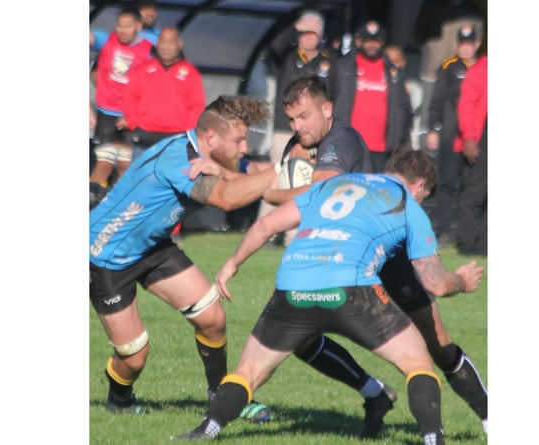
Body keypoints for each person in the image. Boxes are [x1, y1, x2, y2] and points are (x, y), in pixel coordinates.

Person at [180, 149, 485, 444]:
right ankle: (433, 440)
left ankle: (207, 430)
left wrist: (232, 264)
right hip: (350, 289)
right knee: (417, 363)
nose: (421, 201)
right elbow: (436, 283)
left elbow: (266, 225)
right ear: (419, 186)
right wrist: (463, 281)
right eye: (424, 196)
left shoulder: (332, 184)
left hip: (292, 289)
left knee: (247, 372)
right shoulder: (407, 201)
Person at [261, 78, 488, 439]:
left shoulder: (342, 141)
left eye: (303, 116)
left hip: (386, 263)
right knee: (300, 336)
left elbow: (316, 191)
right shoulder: (323, 145)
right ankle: (375, 394)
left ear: (325, 110)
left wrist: (265, 188)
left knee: (438, 346)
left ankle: (489, 420)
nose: (297, 126)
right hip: (348, 264)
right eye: (292, 119)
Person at [89, 95, 279, 420]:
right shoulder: (180, 160)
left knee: (212, 319)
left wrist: (297, 169)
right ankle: (119, 397)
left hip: (152, 247)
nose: (244, 147)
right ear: (211, 138)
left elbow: (254, 174)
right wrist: (286, 169)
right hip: (106, 255)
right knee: (134, 356)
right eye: (239, 139)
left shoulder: (213, 156)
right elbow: (227, 198)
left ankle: (221, 396)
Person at [258, 10, 338, 244]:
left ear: (321, 35)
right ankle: (267, 230)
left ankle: (293, 233)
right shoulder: (288, 56)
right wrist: (294, 28)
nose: (307, 37)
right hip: (284, 127)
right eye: (303, 33)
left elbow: (333, 96)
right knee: (275, 175)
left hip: (312, 132)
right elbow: (273, 48)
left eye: (312, 33)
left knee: (302, 179)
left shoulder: (328, 62)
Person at [89, 6, 153, 208]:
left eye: (128, 26)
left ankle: (114, 207)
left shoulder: (149, 50)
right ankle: (90, 204)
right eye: (119, 26)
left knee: (126, 166)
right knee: (104, 163)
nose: (123, 30)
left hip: (132, 117)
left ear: (138, 26)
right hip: (107, 115)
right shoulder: (106, 40)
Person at [425, 25, 481, 247]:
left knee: (473, 186)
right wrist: (433, 129)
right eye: (462, 44)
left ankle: (471, 231)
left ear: (476, 45)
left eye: (470, 44)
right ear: (457, 45)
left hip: (476, 138)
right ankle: (446, 228)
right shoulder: (448, 67)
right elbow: (437, 100)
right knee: (447, 184)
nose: (466, 48)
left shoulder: (483, 68)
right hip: (452, 136)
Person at [333, 20, 413, 172]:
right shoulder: (343, 67)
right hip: (348, 143)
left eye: (376, 41)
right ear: (359, 41)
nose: (372, 45)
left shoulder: (393, 72)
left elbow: (404, 107)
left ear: (382, 43)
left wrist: (401, 142)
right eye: (367, 41)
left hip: (381, 148)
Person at [122, 26, 205, 161]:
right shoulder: (142, 70)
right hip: (145, 138)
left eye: (171, 42)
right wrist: (134, 123)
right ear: (157, 43)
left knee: (172, 181)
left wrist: (187, 133)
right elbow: (129, 98)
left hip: (176, 139)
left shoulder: (191, 74)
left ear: (179, 44)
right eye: (163, 41)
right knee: (140, 180)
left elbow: (197, 105)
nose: (166, 46)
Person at [413, 0, 484, 152]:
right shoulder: (431, 6)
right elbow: (419, 33)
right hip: (433, 70)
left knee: (461, 114)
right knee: (429, 116)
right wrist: (432, 50)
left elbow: (479, 37)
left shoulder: (473, 10)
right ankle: (426, 156)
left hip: (465, 71)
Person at [453, 53, 487, 256]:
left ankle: (485, 246)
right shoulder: (480, 71)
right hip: (482, 137)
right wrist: (470, 138)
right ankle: (467, 244)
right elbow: (467, 105)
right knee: (475, 193)